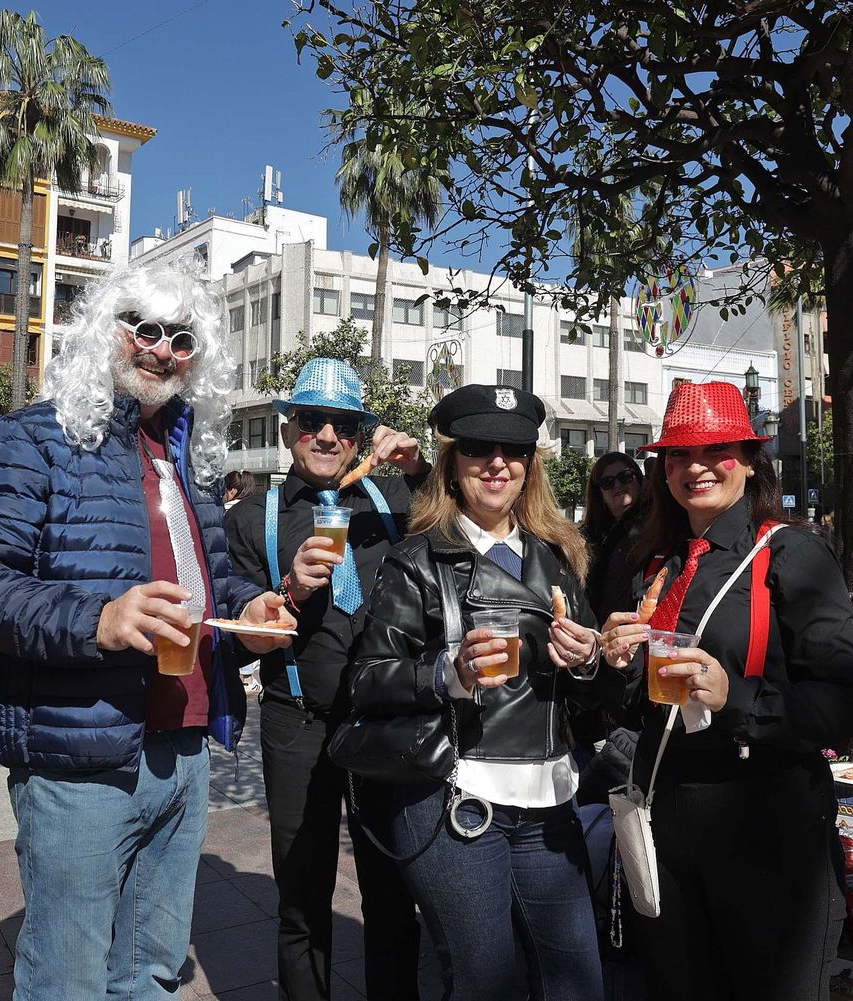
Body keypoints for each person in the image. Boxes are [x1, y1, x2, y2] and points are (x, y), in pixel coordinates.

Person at [0, 254, 294, 1001]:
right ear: (108, 332)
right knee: (67, 975)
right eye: (145, 328)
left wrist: (248, 609)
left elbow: (204, 581)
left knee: (153, 968)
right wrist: (96, 620)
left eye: (182, 337)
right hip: (79, 753)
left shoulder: (188, 457)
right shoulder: (29, 439)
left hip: (185, 746)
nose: (162, 349)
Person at [599, 381, 853, 1000]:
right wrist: (610, 663)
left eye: (715, 449)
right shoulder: (658, 562)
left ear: (749, 460)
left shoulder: (791, 553)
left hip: (763, 824)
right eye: (676, 455)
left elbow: (845, 702)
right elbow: (635, 706)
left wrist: (737, 697)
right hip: (663, 820)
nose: (694, 466)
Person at [351, 383, 610, 1001]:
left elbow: (590, 693)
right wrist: (450, 672)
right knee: (481, 981)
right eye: (477, 449)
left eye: (514, 450)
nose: (497, 463)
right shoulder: (416, 560)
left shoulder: (561, 558)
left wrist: (592, 660)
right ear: (452, 462)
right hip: (456, 800)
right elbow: (366, 679)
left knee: (577, 981)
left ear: (530, 467)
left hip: (551, 801)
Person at [224, 357, 426, 1001]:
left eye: (343, 424)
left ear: (361, 434)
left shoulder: (393, 500)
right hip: (296, 719)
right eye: (313, 422)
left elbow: (463, 511)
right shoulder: (252, 516)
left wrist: (418, 464)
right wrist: (288, 588)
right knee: (302, 893)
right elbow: (240, 627)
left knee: (392, 889)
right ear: (289, 430)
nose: (328, 437)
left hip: (382, 718)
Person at [581, 451, 646, 624]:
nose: (617, 485)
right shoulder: (587, 539)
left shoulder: (657, 527)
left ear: (639, 480)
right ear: (599, 494)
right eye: (607, 482)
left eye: (625, 476)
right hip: (598, 635)